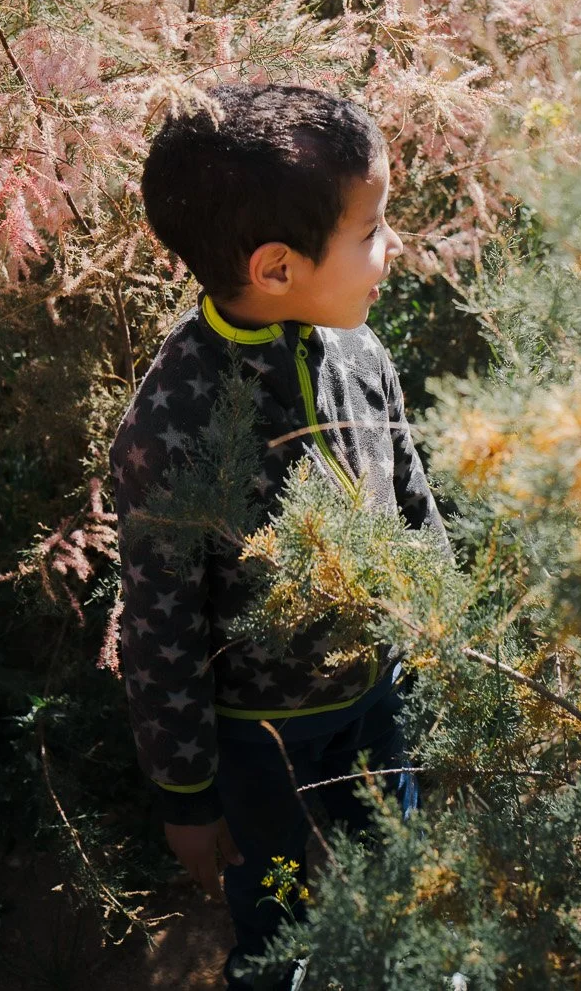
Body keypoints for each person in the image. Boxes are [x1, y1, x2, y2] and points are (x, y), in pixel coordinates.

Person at [110, 82, 447, 990]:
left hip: (377, 697)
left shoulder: (359, 349)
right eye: (370, 229)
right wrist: (186, 792)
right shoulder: (169, 426)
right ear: (275, 268)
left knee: (403, 878)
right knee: (277, 911)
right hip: (261, 744)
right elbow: (160, 628)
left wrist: (443, 633)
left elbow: (410, 496)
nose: (392, 246)